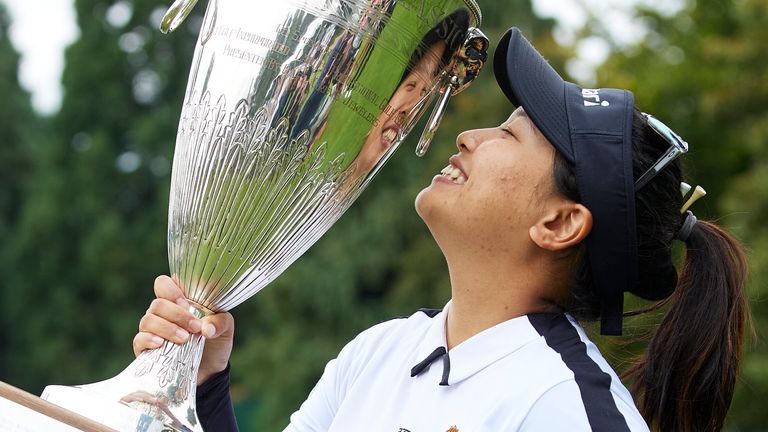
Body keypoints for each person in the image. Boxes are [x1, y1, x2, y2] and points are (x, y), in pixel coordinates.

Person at [134, 27, 749, 431]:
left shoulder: (565, 407)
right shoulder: (379, 352)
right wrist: (205, 378)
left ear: (560, 223)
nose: (467, 135)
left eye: (509, 134)